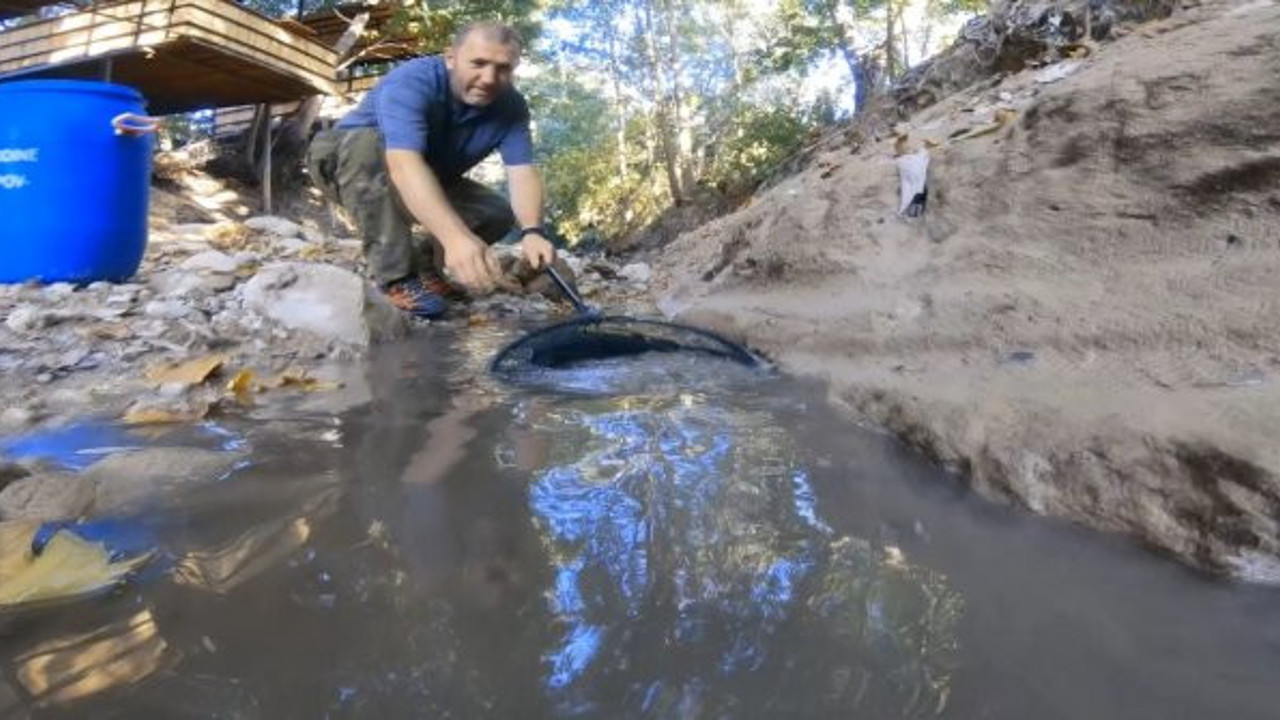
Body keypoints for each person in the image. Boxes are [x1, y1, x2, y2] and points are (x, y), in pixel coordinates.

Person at [306, 21, 556, 318]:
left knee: (496, 212)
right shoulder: (411, 82)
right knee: (368, 143)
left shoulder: (512, 108)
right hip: (345, 162)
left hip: (424, 173)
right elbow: (404, 163)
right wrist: (455, 238)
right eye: (478, 63)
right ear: (450, 58)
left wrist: (533, 231)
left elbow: (522, 172)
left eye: (503, 68)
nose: (489, 78)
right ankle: (395, 277)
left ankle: (424, 264)